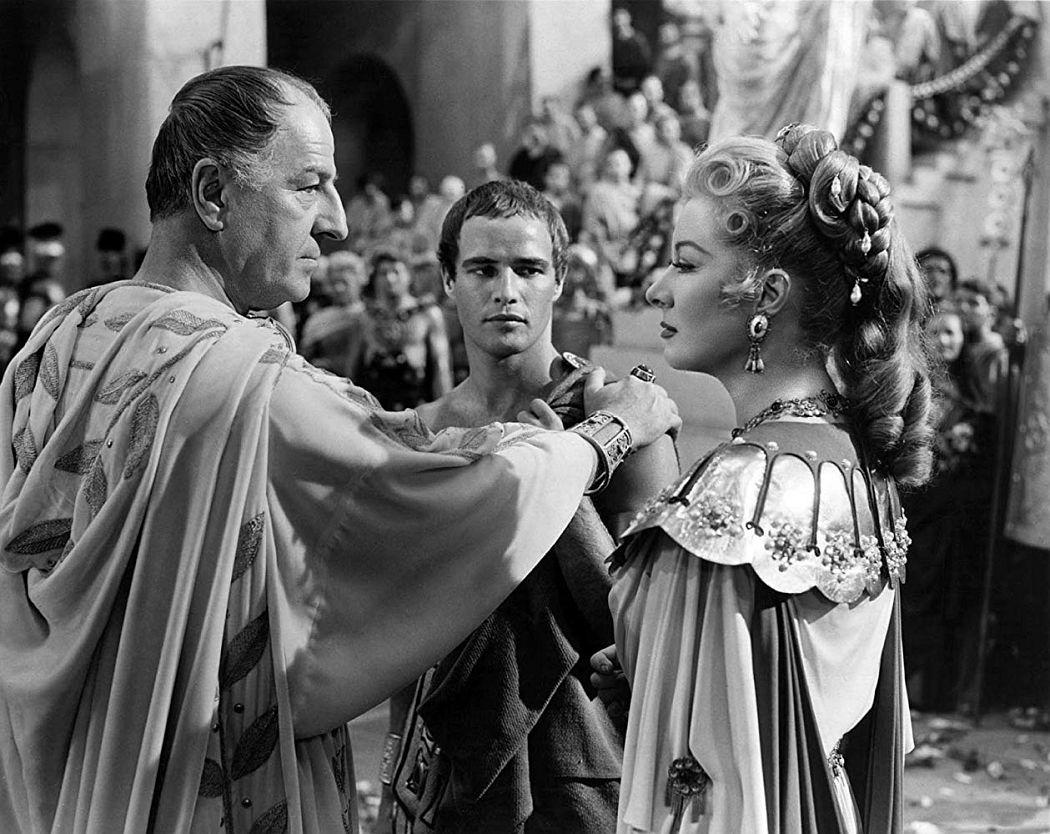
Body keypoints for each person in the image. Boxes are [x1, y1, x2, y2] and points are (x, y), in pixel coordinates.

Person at [0, 65, 680, 834]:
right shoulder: (239, 381)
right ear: (213, 194)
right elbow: (447, 496)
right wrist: (609, 434)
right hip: (189, 790)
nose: (336, 223)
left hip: (57, 788)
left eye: (528, 270)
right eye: (309, 185)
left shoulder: (58, 340)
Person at [596, 124, 933, 833]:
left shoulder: (734, 499)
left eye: (685, 264)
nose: (656, 288)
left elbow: (700, 792)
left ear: (767, 294)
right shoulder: (859, 469)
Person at [385, 180, 679, 833]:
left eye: (529, 268)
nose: (506, 289)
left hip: (583, 770)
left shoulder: (623, 416)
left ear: (560, 279)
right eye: (483, 269)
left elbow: (645, 624)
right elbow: (399, 629)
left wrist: (563, 468)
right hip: (442, 773)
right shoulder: (419, 433)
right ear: (446, 281)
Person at [359, 250, 453, 410]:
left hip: (416, 407)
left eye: (396, 271)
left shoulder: (427, 314)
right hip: (374, 411)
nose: (390, 279)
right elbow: (354, 369)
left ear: (408, 275)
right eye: (383, 273)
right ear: (374, 279)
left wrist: (444, 413)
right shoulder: (366, 317)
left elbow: (441, 368)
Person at [299, 249, 368, 376]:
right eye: (334, 283)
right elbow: (304, 359)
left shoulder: (370, 316)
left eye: (344, 282)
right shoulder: (318, 319)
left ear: (359, 280)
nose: (338, 288)